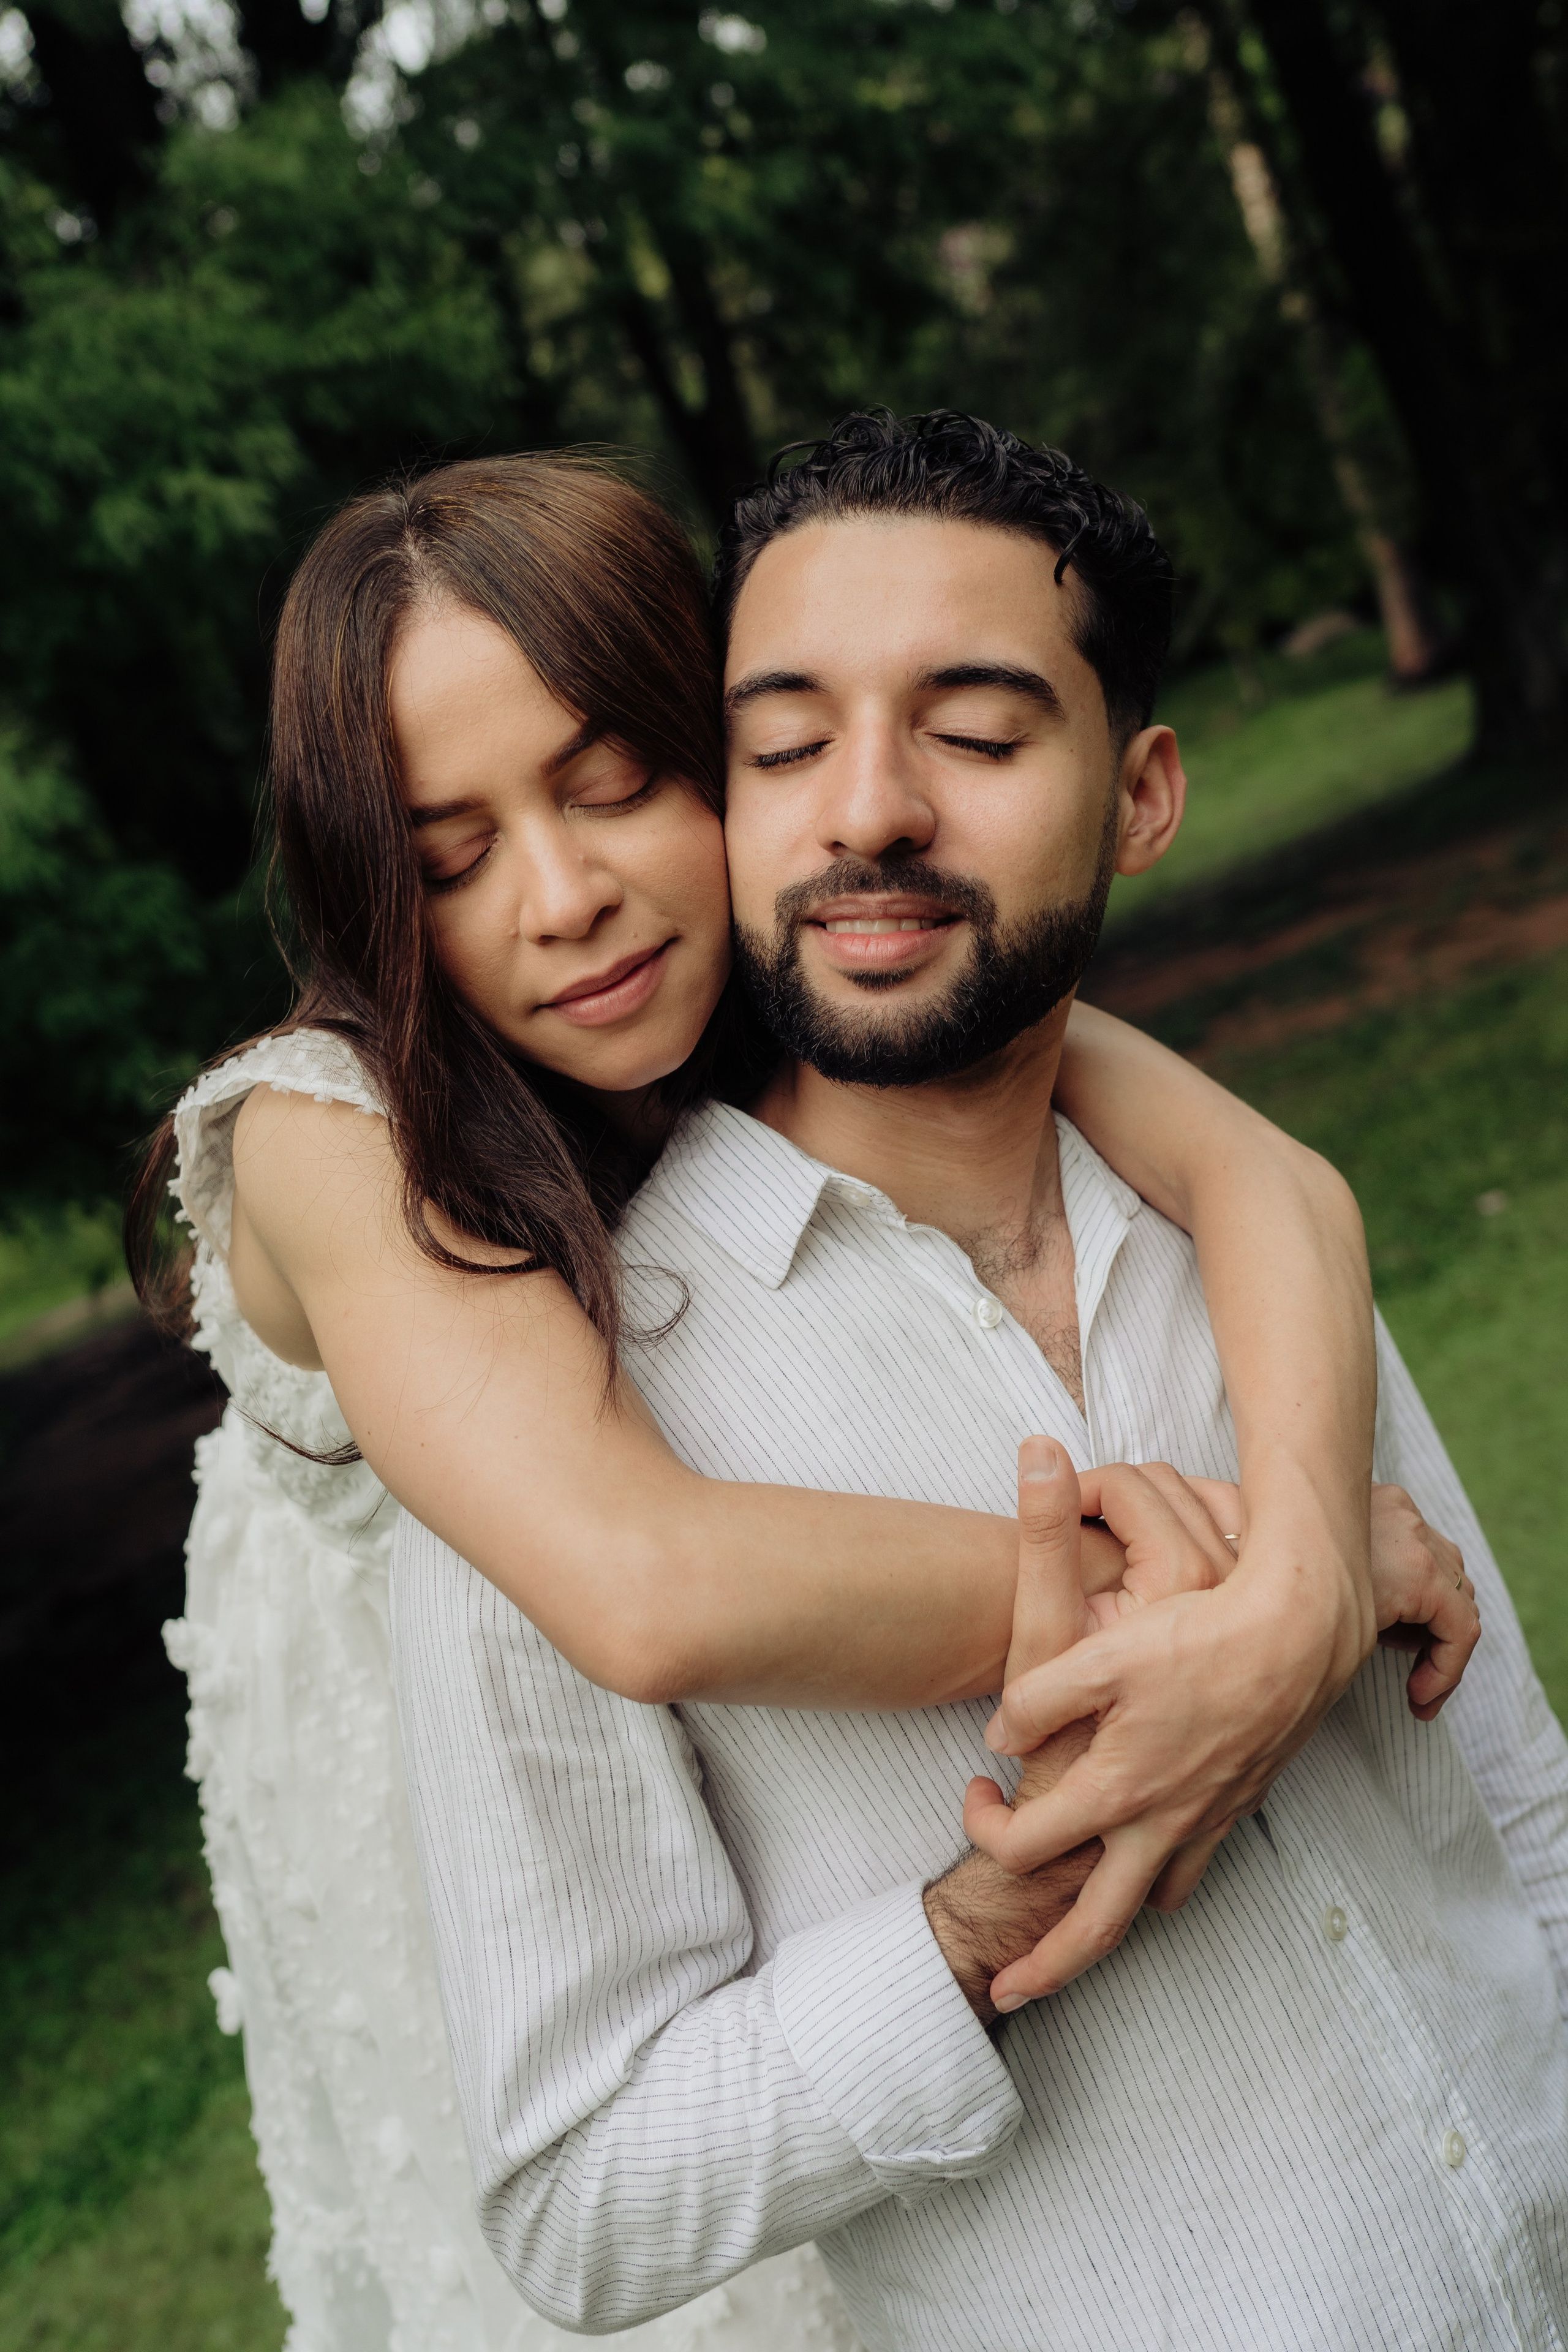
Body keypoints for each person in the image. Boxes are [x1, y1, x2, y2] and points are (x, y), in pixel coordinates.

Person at [131, 448, 1468, 2352]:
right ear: (374, 891)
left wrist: (1315, 1552)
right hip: (481, 1863)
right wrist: (1245, 1596)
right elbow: (636, 1580)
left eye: (616, 788)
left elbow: (1275, 1185)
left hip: (775, 1839)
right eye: (453, 855)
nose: (566, 894)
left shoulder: (818, 977)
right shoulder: (323, 1126)